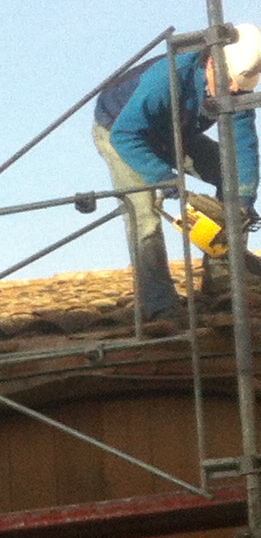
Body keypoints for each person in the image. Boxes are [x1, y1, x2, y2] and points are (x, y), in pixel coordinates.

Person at [93, 23, 261, 325]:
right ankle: (159, 305)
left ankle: (223, 278)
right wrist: (166, 180)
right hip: (121, 130)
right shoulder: (167, 79)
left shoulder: (235, 91)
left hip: (172, 130)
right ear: (213, 62)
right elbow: (126, 135)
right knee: (143, 213)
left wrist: (244, 201)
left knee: (231, 177)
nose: (234, 90)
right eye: (230, 83)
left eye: (240, 87)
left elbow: (242, 148)